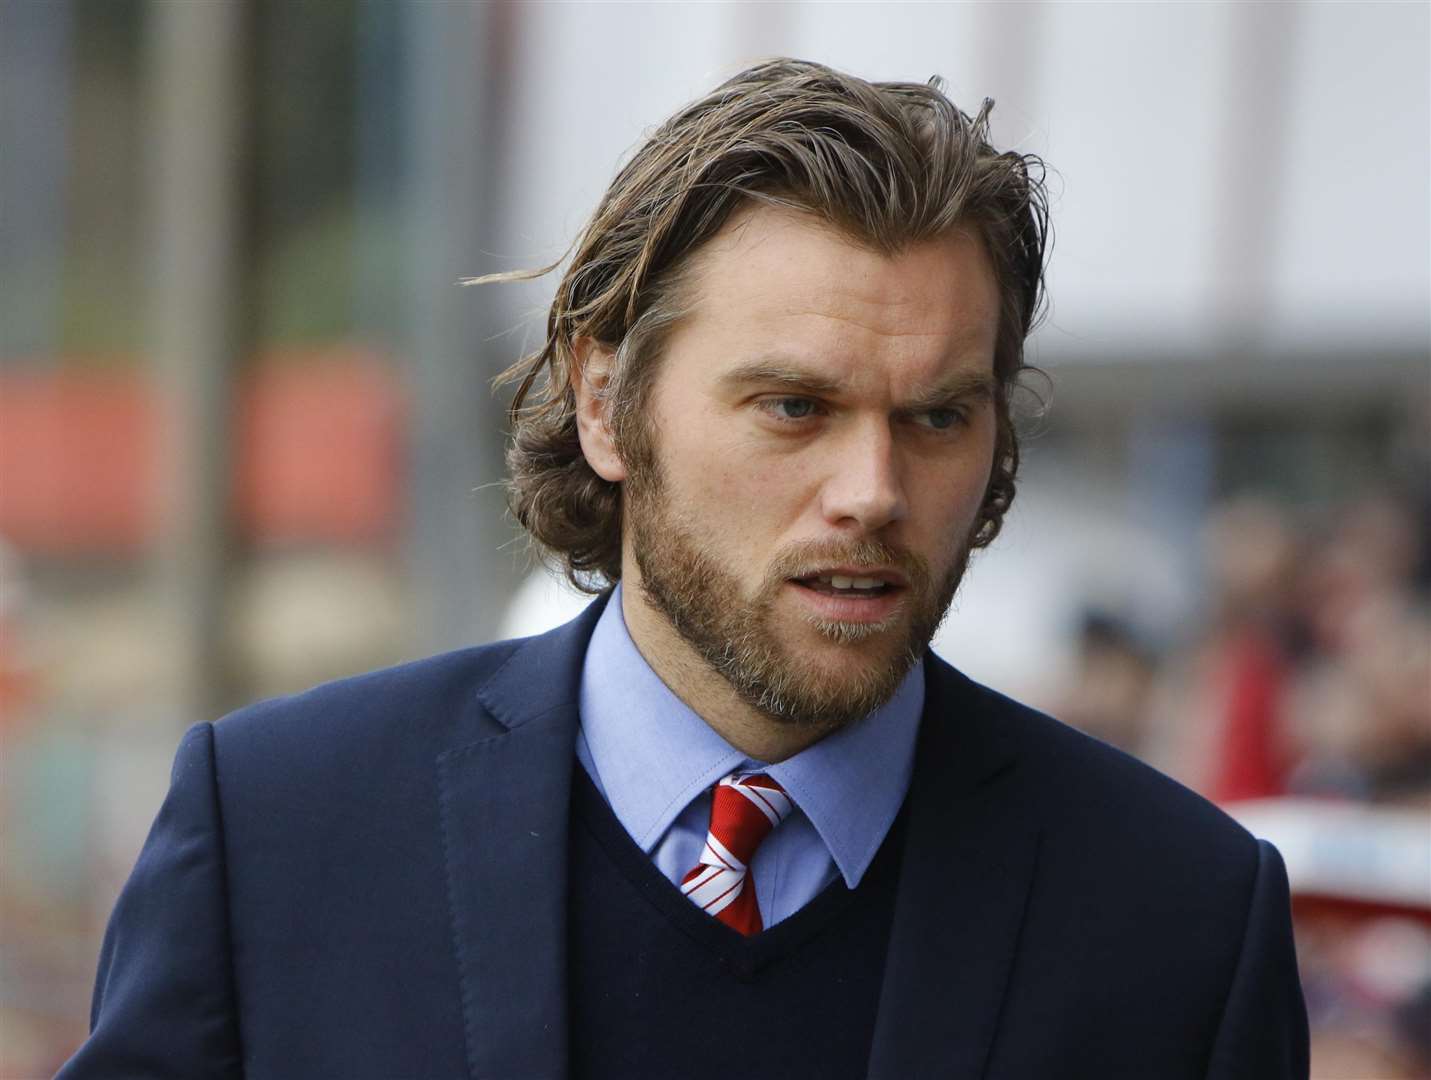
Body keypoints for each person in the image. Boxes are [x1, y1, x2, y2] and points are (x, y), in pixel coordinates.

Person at [59, 58, 1308, 1079]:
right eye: (793, 407)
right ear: (607, 404)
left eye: (937, 417)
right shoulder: (281, 832)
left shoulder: (1179, 915)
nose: (873, 492)